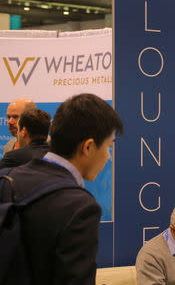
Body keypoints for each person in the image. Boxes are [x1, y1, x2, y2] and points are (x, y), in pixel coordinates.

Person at [3, 93, 123, 285]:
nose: (108, 157)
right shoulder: (81, 208)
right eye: (108, 147)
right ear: (88, 147)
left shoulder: (8, 179)